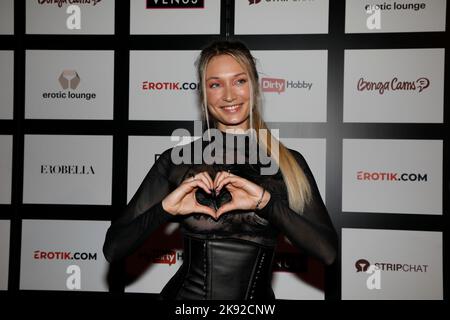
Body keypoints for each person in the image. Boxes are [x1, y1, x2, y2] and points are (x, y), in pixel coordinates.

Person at [103, 40, 338, 300]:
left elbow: (327, 252)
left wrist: (267, 203)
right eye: (215, 84)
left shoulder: (289, 164)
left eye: (239, 81)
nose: (229, 95)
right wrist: (165, 210)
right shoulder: (177, 161)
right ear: (203, 94)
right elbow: (113, 249)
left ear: (255, 86)